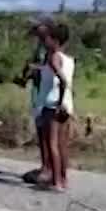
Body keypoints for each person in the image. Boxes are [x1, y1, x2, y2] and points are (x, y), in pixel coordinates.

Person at [37, 23, 75, 192]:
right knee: (62, 145)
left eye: (48, 38)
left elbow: (63, 80)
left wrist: (58, 101)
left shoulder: (53, 57)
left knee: (51, 144)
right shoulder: (69, 59)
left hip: (53, 105)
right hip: (67, 105)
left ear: (55, 40)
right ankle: (63, 179)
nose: (45, 41)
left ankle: (56, 181)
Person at [17, 18, 53, 185]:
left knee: (47, 133)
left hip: (47, 94)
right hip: (38, 92)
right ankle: (45, 165)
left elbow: (52, 69)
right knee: (41, 131)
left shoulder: (52, 47)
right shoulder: (40, 46)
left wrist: (33, 68)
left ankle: (49, 169)